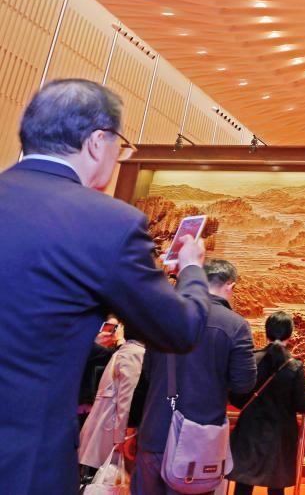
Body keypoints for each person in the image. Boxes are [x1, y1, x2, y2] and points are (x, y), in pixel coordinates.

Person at [0, 79, 211, 495]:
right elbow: (179, 330)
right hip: (23, 462)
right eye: (121, 145)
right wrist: (190, 270)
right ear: (98, 141)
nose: (118, 156)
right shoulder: (107, 222)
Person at [128, 259, 257, 495]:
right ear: (230, 286)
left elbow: (147, 374)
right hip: (198, 439)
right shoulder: (235, 325)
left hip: (155, 431)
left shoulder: (163, 319)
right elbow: (244, 384)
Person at [228, 311, 305, 495]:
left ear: (266, 331)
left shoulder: (252, 359)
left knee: (243, 484)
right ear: (290, 334)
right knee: (276, 487)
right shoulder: (294, 366)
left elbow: (236, 397)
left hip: (249, 430)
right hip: (280, 435)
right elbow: (301, 404)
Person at [79, 325, 146, 474]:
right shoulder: (135, 352)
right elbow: (126, 398)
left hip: (104, 426)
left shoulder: (126, 350)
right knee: (112, 479)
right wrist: (121, 438)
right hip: (113, 431)